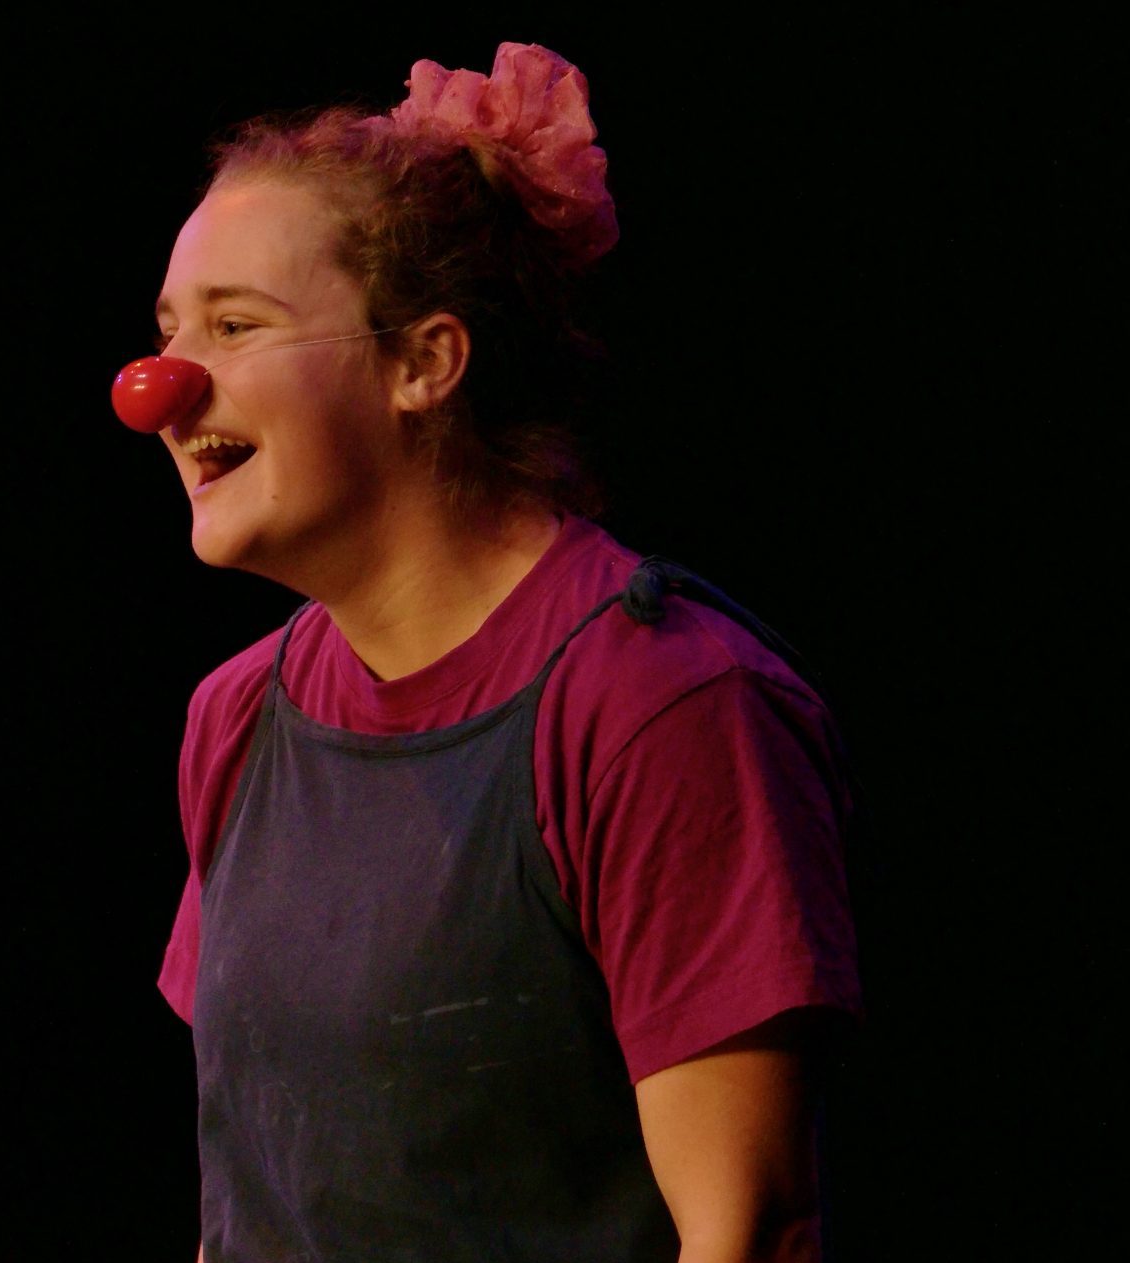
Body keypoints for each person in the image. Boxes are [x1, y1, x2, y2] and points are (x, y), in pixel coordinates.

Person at [112, 42, 864, 1263]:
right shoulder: (237, 716)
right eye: (167, 328)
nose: (160, 388)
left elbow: (745, 1230)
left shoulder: (658, 702)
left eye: (237, 326)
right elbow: (252, 1197)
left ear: (425, 363)